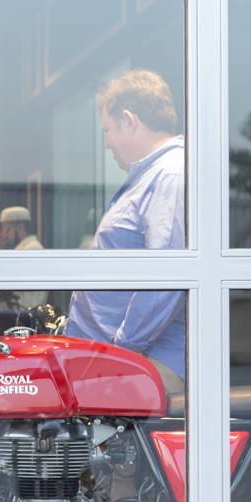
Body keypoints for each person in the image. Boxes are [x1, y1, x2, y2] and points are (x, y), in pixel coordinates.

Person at [67, 69, 187, 394]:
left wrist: (122, 351)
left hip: (138, 364)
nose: (106, 143)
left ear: (129, 120)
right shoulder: (152, 177)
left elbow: (166, 278)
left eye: (107, 130)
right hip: (122, 360)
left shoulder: (170, 176)